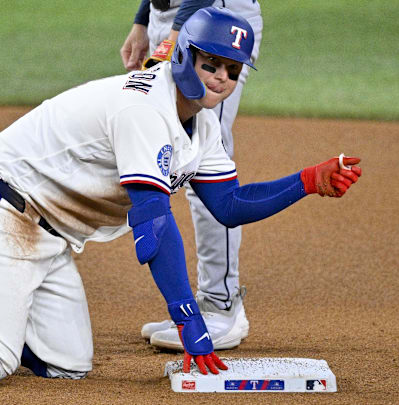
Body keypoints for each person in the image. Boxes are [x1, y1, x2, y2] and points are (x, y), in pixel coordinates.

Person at [0, 8, 361, 383]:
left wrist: (307, 181)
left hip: (47, 234)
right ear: (183, 55)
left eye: (233, 71)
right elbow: (154, 230)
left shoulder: (199, 126)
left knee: (66, 365)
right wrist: (191, 324)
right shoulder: (145, 108)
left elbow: (230, 204)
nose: (221, 80)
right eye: (212, 64)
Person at [120, 0, 263, 352]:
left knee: (207, 164)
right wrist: (143, 20)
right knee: (168, 143)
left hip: (215, 23)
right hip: (171, 17)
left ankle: (221, 304)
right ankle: (206, 301)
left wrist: (174, 36)